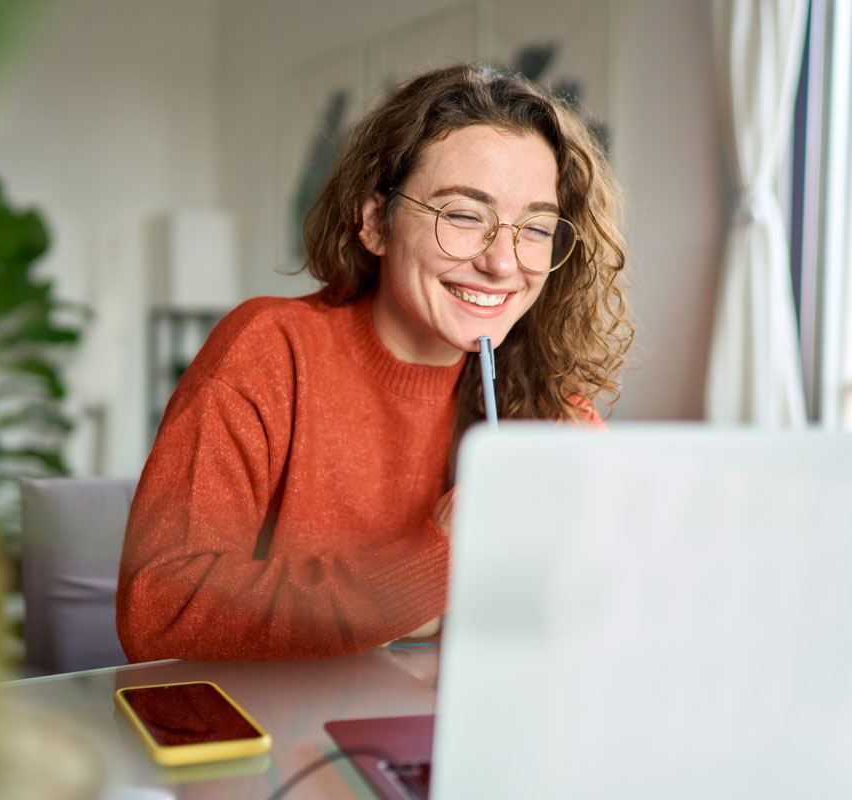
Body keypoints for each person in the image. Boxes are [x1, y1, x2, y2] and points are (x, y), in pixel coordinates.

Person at [116, 63, 633, 662]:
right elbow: (159, 610)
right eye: (464, 215)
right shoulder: (269, 351)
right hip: (279, 741)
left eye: (536, 228)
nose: (502, 262)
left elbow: (608, 597)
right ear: (374, 223)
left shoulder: (544, 391)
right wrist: (435, 560)